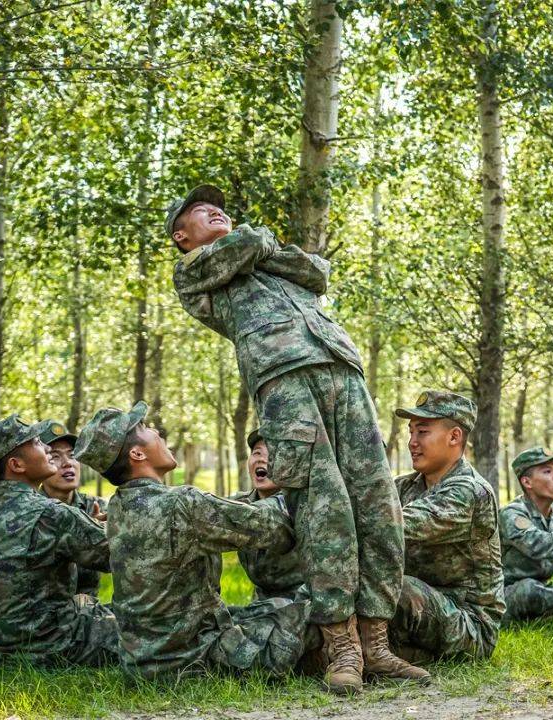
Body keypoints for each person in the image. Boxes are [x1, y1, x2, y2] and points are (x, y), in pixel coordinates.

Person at [167, 184, 416, 691]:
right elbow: (246, 245)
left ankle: (375, 642)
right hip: (282, 381)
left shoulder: (253, 256)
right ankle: (340, 648)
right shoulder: (194, 272)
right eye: (200, 211)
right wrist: (261, 244)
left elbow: (317, 272)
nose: (216, 211)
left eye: (220, 207)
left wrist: (266, 251)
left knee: (378, 503)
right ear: (181, 235)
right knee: (325, 511)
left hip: (343, 370)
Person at [74, 402, 312, 681]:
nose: (156, 432)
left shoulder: (117, 508)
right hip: (196, 660)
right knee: (315, 604)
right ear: (137, 453)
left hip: (141, 663)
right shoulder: (180, 504)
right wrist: (294, 495)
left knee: (269, 608)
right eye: (145, 428)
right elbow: (271, 528)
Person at [0, 415, 117, 666]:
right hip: (56, 646)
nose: (47, 448)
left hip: (4, 651)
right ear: (16, 465)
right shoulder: (48, 513)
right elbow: (123, 555)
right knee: (151, 623)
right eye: (37, 443)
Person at [390, 391, 504, 664]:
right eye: (411, 433)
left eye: (423, 432)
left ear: (454, 437)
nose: (412, 443)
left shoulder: (470, 491)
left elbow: (391, 524)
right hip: (419, 615)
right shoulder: (405, 486)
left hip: (468, 626)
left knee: (394, 588)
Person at [230, 428, 303, 602]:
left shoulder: (299, 503)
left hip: (302, 602)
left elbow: (264, 513)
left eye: (272, 454)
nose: (262, 459)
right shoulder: (241, 502)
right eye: (257, 453)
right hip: (261, 602)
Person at [39, 420, 109, 596]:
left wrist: (104, 530)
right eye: (55, 456)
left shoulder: (95, 507)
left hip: (89, 611)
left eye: (72, 455)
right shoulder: (32, 511)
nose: (67, 463)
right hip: (47, 615)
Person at [499, 447, 553, 624]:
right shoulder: (512, 514)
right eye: (547, 471)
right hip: (503, 595)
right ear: (527, 482)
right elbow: (538, 546)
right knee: (529, 590)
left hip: (542, 588)